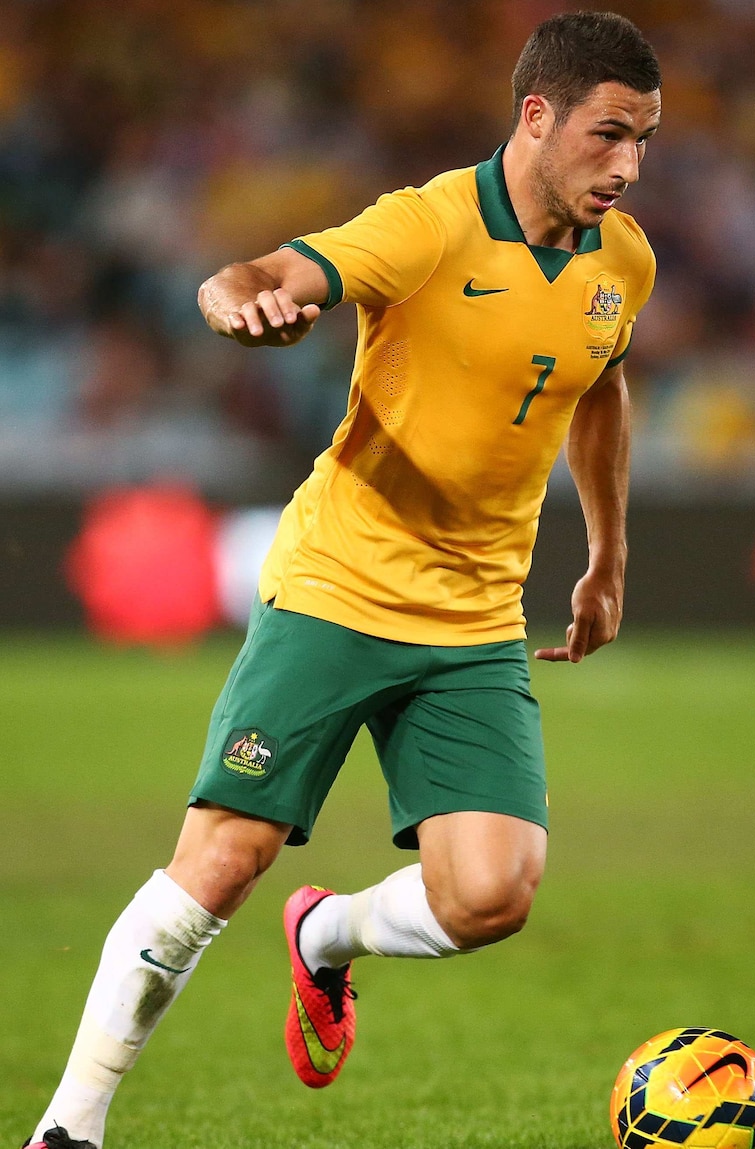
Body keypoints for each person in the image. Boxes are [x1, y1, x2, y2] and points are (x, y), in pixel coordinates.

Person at [25, 11, 661, 1148]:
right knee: (223, 860)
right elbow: (266, 271)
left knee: (492, 897)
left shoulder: (624, 263)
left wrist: (606, 557)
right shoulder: (425, 227)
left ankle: (325, 938)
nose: (626, 165)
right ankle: (70, 1126)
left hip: (473, 618)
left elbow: (598, 385)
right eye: (608, 135)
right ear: (536, 116)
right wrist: (238, 306)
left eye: (645, 142)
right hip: (339, 588)